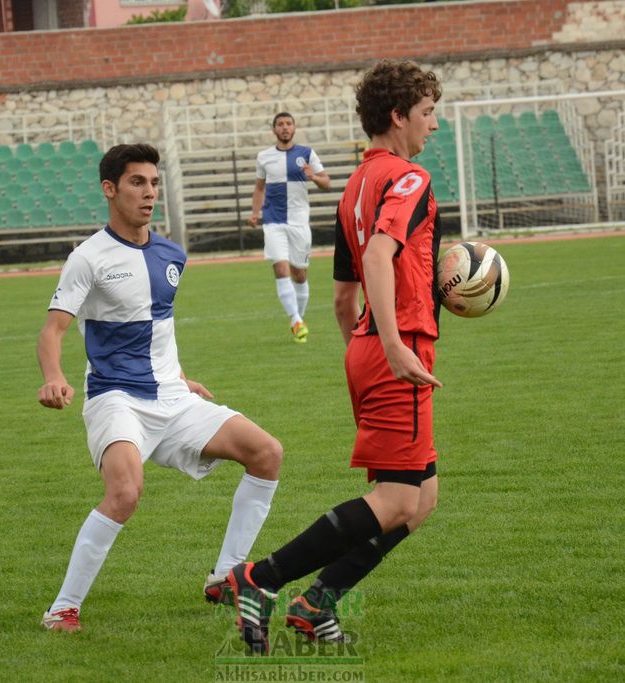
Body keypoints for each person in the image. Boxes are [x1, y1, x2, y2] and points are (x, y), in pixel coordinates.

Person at [227, 59, 444, 654]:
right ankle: (260, 578)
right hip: (395, 349)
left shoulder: (353, 184)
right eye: (427, 113)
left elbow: (343, 293)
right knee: (399, 499)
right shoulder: (408, 179)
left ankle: (314, 604)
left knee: (419, 499)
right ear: (398, 116)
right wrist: (396, 347)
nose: (434, 125)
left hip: (366, 348)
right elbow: (377, 258)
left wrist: (367, 351)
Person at [37, 143, 282, 632]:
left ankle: (226, 575)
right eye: (136, 183)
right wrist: (54, 376)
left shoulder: (172, 252)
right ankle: (63, 608)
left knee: (267, 453)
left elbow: (156, 326)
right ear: (110, 189)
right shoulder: (88, 258)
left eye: (153, 183)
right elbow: (52, 331)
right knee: (125, 491)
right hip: (116, 399)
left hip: (172, 396)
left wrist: (179, 376)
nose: (149, 193)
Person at [248, 112, 331, 343]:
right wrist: (255, 213)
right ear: (274, 130)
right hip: (273, 221)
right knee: (281, 268)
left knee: (300, 275)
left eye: (288, 124)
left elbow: (327, 182)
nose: (284, 128)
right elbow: (259, 188)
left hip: (299, 223)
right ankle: (295, 319)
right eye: (280, 124)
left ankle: (298, 319)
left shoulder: (306, 154)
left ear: (294, 128)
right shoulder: (264, 157)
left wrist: (313, 176)